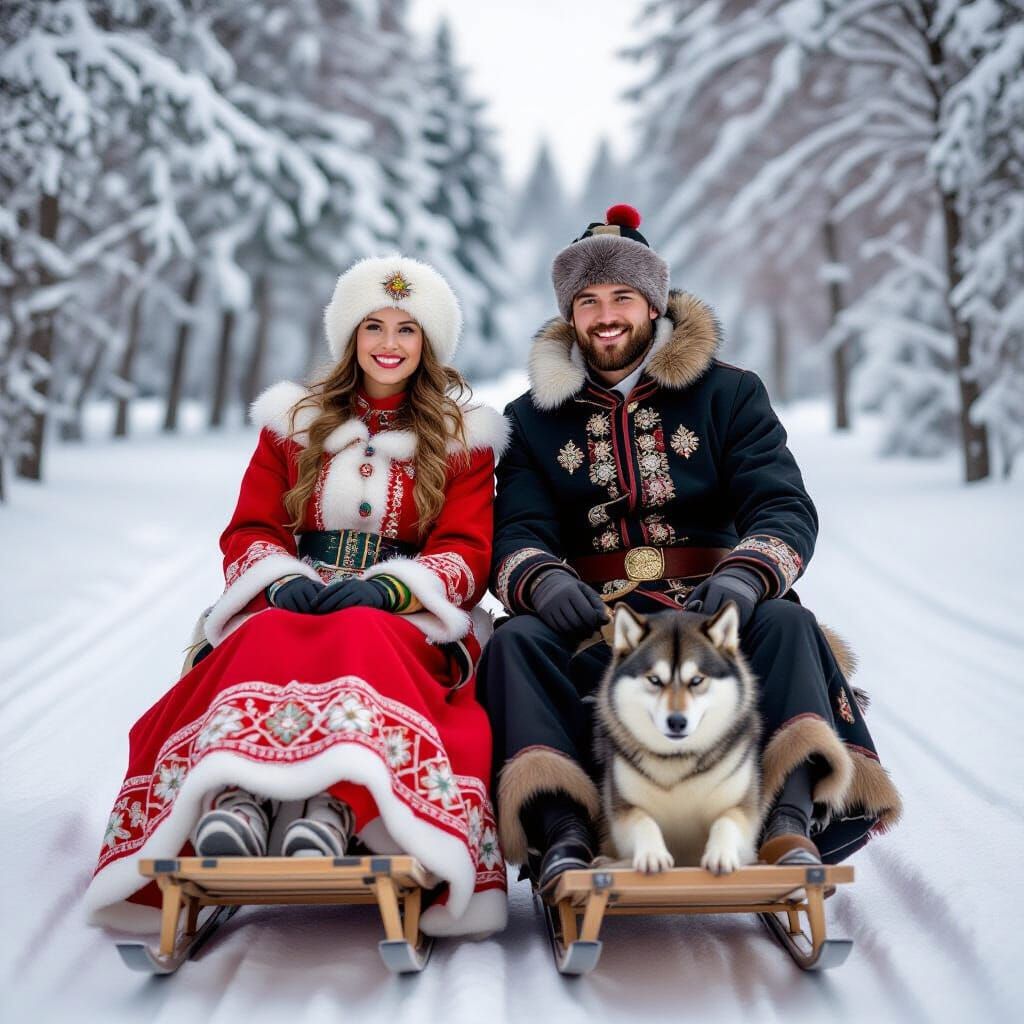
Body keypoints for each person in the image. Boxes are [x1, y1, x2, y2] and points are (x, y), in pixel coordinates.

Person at [478, 204, 902, 891]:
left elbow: (783, 504)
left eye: (622, 297)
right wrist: (542, 581)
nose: (605, 315)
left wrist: (745, 576)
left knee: (789, 623)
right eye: (587, 301)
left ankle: (786, 821)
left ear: (652, 303)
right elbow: (517, 529)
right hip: (597, 619)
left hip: (714, 606)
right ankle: (564, 831)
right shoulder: (529, 419)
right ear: (570, 316)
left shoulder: (730, 394)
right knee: (516, 643)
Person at [84, 256, 509, 938]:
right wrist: (279, 580)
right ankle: (238, 803)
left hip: (403, 613)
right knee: (262, 637)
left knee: (364, 638)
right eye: (373, 325)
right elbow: (251, 526)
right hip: (294, 592)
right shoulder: (293, 423)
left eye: (407, 328)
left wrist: (392, 589)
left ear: (429, 342)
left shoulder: (464, 438)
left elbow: (467, 548)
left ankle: (335, 812)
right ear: (349, 336)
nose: (389, 343)